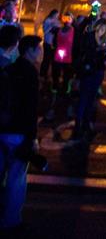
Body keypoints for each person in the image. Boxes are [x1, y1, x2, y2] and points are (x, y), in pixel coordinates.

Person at [0, 35, 43, 230]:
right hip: (19, 132)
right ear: (29, 50)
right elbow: (31, 108)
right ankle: (11, 220)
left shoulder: (8, 70)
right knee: (16, 179)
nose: (40, 52)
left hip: (3, 129)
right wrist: (33, 137)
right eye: (38, 49)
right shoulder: (30, 74)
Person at [72, 18, 106, 140]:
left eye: (105, 29)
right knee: (83, 99)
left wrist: (105, 55)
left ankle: (87, 125)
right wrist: (97, 53)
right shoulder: (88, 37)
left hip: (98, 72)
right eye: (101, 28)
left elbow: (104, 56)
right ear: (96, 27)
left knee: (92, 100)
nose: (102, 31)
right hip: (88, 71)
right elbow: (82, 52)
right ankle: (78, 125)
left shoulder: (104, 41)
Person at [52, 13, 75, 96]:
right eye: (65, 18)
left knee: (67, 74)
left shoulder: (74, 31)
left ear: (72, 20)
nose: (67, 20)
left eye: (69, 19)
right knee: (56, 73)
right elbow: (55, 41)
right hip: (58, 55)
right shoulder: (59, 30)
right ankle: (55, 87)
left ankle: (65, 88)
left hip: (68, 56)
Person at [40, 9, 60, 82]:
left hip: (54, 43)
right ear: (53, 14)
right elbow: (45, 31)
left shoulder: (56, 21)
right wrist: (51, 26)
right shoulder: (47, 20)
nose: (57, 16)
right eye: (56, 15)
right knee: (46, 59)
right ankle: (42, 74)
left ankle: (48, 74)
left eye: (58, 15)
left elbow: (59, 29)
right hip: (47, 42)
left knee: (52, 59)